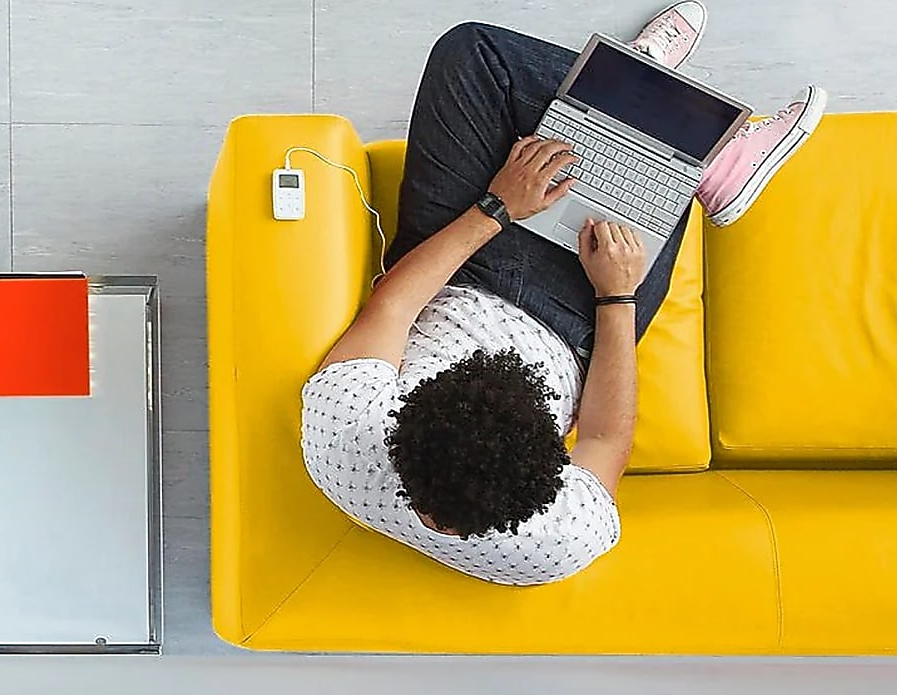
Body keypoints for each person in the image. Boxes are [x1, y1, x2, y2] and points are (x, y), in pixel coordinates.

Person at [301, 3, 828, 585]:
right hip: (577, 320)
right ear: (551, 470)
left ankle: (631, 90)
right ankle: (696, 153)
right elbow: (603, 436)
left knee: (475, 53)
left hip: (453, 277)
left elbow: (394, 307)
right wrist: (617, 296)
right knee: (640, 188)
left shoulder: (346, 436)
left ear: (400, 426)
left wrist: (499, 207)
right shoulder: (562, 537)